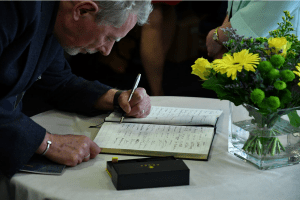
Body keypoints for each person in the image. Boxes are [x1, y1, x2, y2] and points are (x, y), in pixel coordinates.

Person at [0, 1, 153, 179]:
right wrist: (48, 142)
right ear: (82, 11)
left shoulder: (54, 15)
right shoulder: (15, 6)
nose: (107, 51)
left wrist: (116, 98)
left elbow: (57, 82)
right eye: (109, 38)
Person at [206, 1, 300, 60]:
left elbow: (268, 8)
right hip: (239, 48)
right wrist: (223, 37)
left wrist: (216, 37)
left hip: (276, 58)